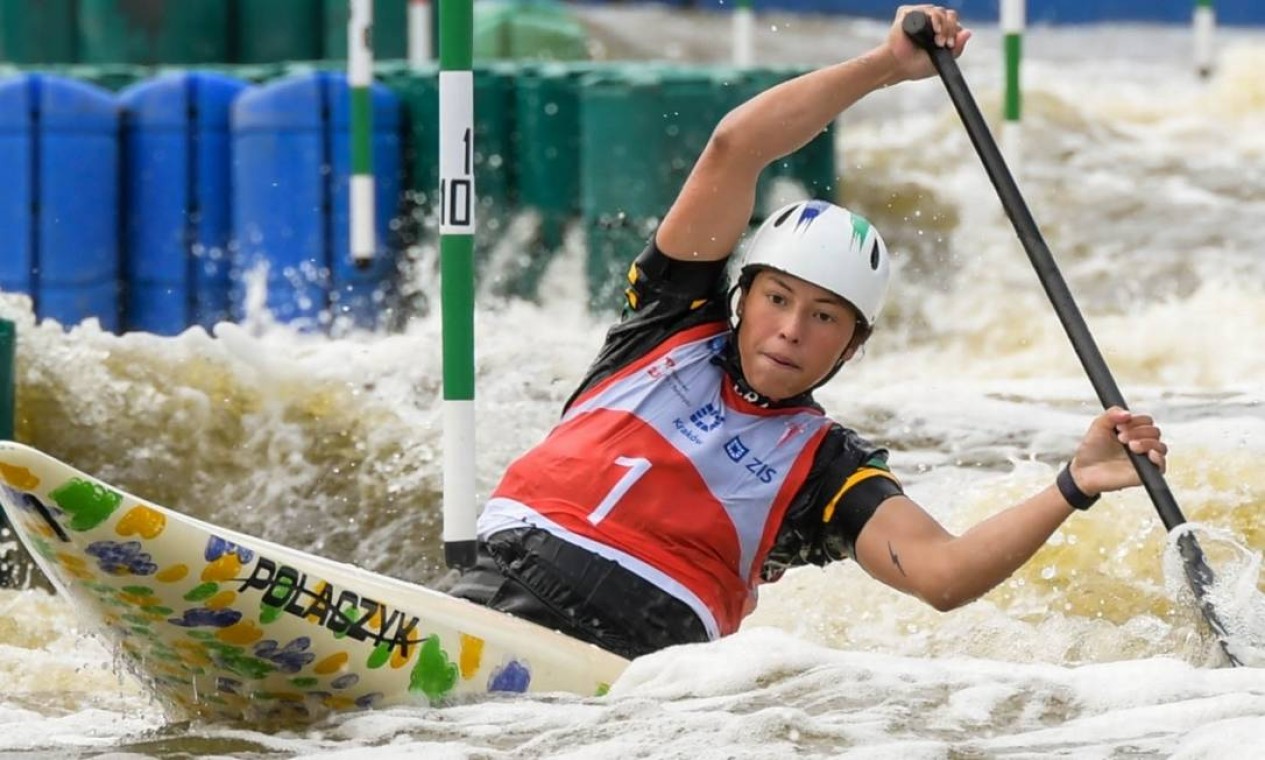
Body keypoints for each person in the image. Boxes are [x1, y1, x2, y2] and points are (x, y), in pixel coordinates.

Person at [448, 5, 1168, 659]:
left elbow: (941, 575)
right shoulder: (663, 325)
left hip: (632, 655)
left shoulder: (824, 469)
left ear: (850, 346)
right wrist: (886, 66)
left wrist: (1073, 484)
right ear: (742, 295)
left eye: (822, 317)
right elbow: (735, 145)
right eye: (777, 299)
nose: (789, 330)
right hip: (497, 587)